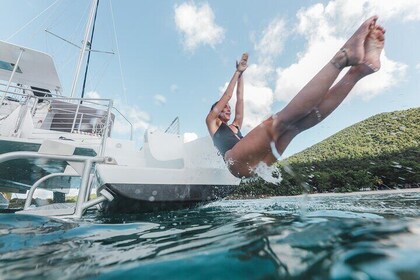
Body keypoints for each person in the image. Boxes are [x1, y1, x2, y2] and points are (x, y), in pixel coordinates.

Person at [206, 16, 385, 178]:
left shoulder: (236, 125)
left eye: (229, 107)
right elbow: (229, 95)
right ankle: (343, 57)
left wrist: (242, 74)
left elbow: (239, 98)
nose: (228, 108)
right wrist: (236, 72)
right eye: (225, 107)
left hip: (258, 165)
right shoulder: (212, 122)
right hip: (236, 163)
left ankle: (357, 72)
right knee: (279, 121)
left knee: (296, 126)